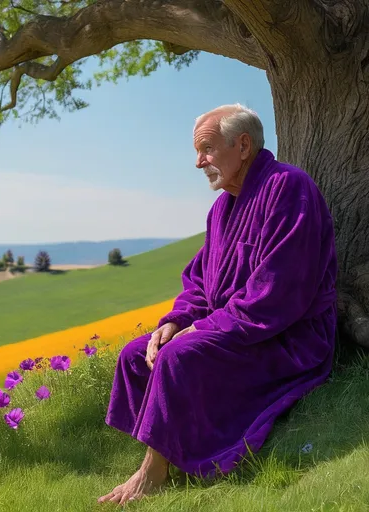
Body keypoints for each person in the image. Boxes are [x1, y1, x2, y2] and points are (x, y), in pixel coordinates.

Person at [98, 104, 337, 505]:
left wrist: (206, 328)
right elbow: (199, 282)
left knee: (178, 359)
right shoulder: (221, 209)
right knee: (137, 354)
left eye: (206, 149)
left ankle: (152, 474)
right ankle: (171, 447)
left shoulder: (288, 187)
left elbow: (280, 289)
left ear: (243, 145)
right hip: (233, 325)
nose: (198, 162)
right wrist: (176, 321)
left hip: (284, 334)